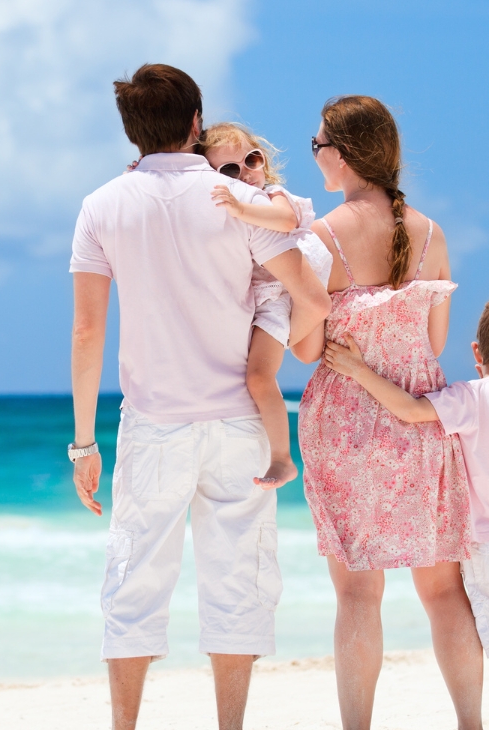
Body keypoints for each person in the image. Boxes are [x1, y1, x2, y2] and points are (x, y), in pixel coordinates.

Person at [67, 64, 331, 730]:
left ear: (132, 132)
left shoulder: (101, 205)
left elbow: (88, 331)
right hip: (239, 422)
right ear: (195, 124)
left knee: (134, 582)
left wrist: (84, 443)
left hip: (153, 424)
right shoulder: (235, 200)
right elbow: (304, 286)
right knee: (237, 580)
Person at [288, 95, 482, 730]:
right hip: (422, 420)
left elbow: (308, 348)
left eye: (318, 145)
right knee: (444, 591)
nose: (315, 155)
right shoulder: (432, 233)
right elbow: (433, 344)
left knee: (356, 593)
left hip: (345, 425)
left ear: (341, 155)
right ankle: (472, 724)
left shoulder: (323, 237)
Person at [323, 290, 489, 730]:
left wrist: (357, 368)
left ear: (476, 352)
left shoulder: (469, 397)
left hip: (486, 545)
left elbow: (409, 410)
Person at [201, 122, 335, 488]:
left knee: (259, 378)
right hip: (259, 295)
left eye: (251, 159)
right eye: (230, 170)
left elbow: (286, 220)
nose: (245, 172)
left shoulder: (272, 196)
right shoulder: (227, 204)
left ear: (264, 160)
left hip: (281, 291)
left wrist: (241, 208)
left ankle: (282, 458)